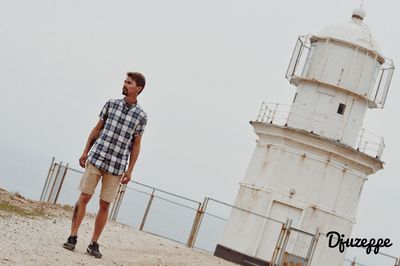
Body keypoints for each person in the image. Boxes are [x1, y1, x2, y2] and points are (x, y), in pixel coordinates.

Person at [63, 72, 147, 258]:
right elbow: (97, 128)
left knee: (104, 205)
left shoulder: (141, 116)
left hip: (117, 167)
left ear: (138, 88)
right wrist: (85, 151)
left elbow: (137, 145)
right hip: (97, 157)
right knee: (84, 197)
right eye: (124, 81)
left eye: (129, 82)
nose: (124, 84)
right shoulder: (111, 104)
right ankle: (72, 237)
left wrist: (130, 170)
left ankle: (94, 243)